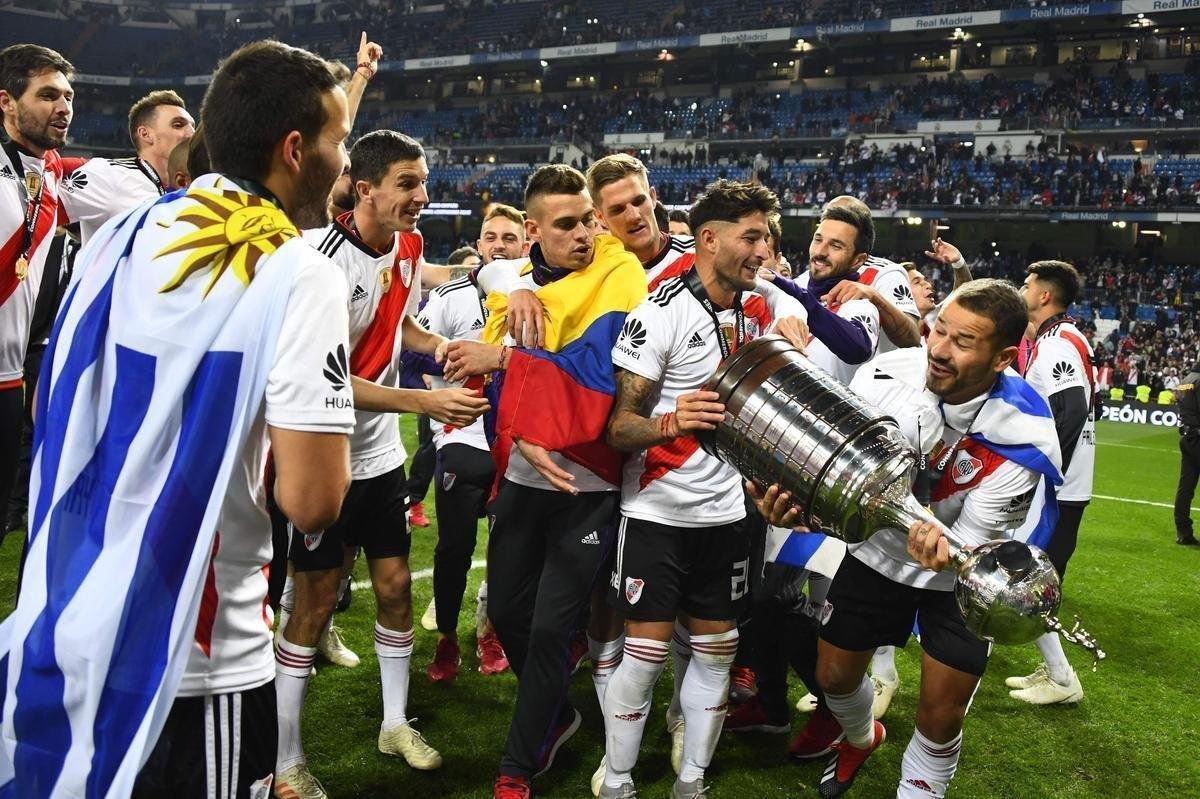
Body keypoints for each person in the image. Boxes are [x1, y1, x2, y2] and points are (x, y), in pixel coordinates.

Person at [1, 39, 358, 798]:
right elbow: (313, 499)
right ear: (295, 150)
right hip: (202, 654)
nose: (343, 159)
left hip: (80, 613)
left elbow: (50, 395)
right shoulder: (302, 268)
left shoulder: (126, 233)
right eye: (339, 139)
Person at [757, 279, 1062, 799]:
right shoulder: (881, 375)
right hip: (876, 556)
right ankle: (861, 736)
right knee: (833, 679)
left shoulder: (1025, 433)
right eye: (938, 329)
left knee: (940, 715)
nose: (938, 351)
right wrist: (796, 507)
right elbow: (828, 472)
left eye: (963, 342)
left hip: (962, 581)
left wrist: (943, 552)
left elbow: (966, 544)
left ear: (1003, 357)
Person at [274, 130, 489, 798]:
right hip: (322, 455)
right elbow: (329, 375)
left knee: (396, 589)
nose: (421, 196)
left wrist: (446, 346)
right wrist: (423, 396)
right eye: (405, 183)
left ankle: (394, 722)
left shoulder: (409, 245)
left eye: (423, 182)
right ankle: (285, 758)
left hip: (378, 457)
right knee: (310, 605)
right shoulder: (320, 263)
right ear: (362, 187)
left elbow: (399, 332)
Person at [600, 180, 807, 799]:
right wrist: (674, 420)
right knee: (644, 657)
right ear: (709, 239)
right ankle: (617, 781)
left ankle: (691, 783)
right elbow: (618, 429)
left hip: (726, 517)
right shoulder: (659, 312)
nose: (765, 250)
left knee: (717, 655)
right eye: (752, 237)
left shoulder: (757, 306)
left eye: (768, 237)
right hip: (657, 515)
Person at [465, 165, 646, 799]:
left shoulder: (620, 270)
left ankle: (516, 768)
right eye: (566, 225)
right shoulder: (515, 280)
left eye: (589, 221)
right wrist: (512, 291)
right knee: (508, 612)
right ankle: (561, 713)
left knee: (549, 629)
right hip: (520, 472)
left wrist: (510, 357)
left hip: (587, 482)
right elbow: (491, 280)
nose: (585, 234)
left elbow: (597, 367)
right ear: (533, 231)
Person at [1008, 260, 1096, 705]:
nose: (1021, 288)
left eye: (1026, 284)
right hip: (1065, 486)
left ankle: (1062, 680)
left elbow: (1072, 408)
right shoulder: (1061, 338)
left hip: (1058, 489)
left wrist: (1047, 467)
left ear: (1044, 295)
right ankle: (1058, 673)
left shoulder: (1057, 343)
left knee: (1027, 584)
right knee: (1027, 582)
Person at [0, 44, 73, 546]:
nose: (64, 107)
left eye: (68, 96)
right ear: (6, 101)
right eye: (48, 95)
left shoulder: (52, 174)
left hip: (9, 385)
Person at [58, 89, 195, 243]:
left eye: (193, 126)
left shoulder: (192, 191)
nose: (192, 133)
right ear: (145, 134)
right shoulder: (110, 176)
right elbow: (38, 206)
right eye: (178, 125)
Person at [1175, 360, 1200, 545]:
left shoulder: (1186, 379)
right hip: (1198, 435)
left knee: (1186, 487)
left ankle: (1183, 531)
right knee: (1186, 487)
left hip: (1187, 436)